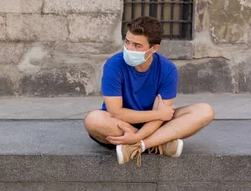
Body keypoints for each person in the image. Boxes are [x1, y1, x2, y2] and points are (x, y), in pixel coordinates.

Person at [84, 16, 214, 167]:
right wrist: (158, 114)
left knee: (205, 111)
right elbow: (116, 112)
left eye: (137, 45)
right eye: (127, 42)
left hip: (155, 124)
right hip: (121, 124)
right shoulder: (114, 65)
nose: (129, 48)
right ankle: (160, 143)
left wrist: (138, 136)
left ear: (154, 48)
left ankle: (139, 145)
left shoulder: (167, 69)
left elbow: (162, 117)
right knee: (93, 119)